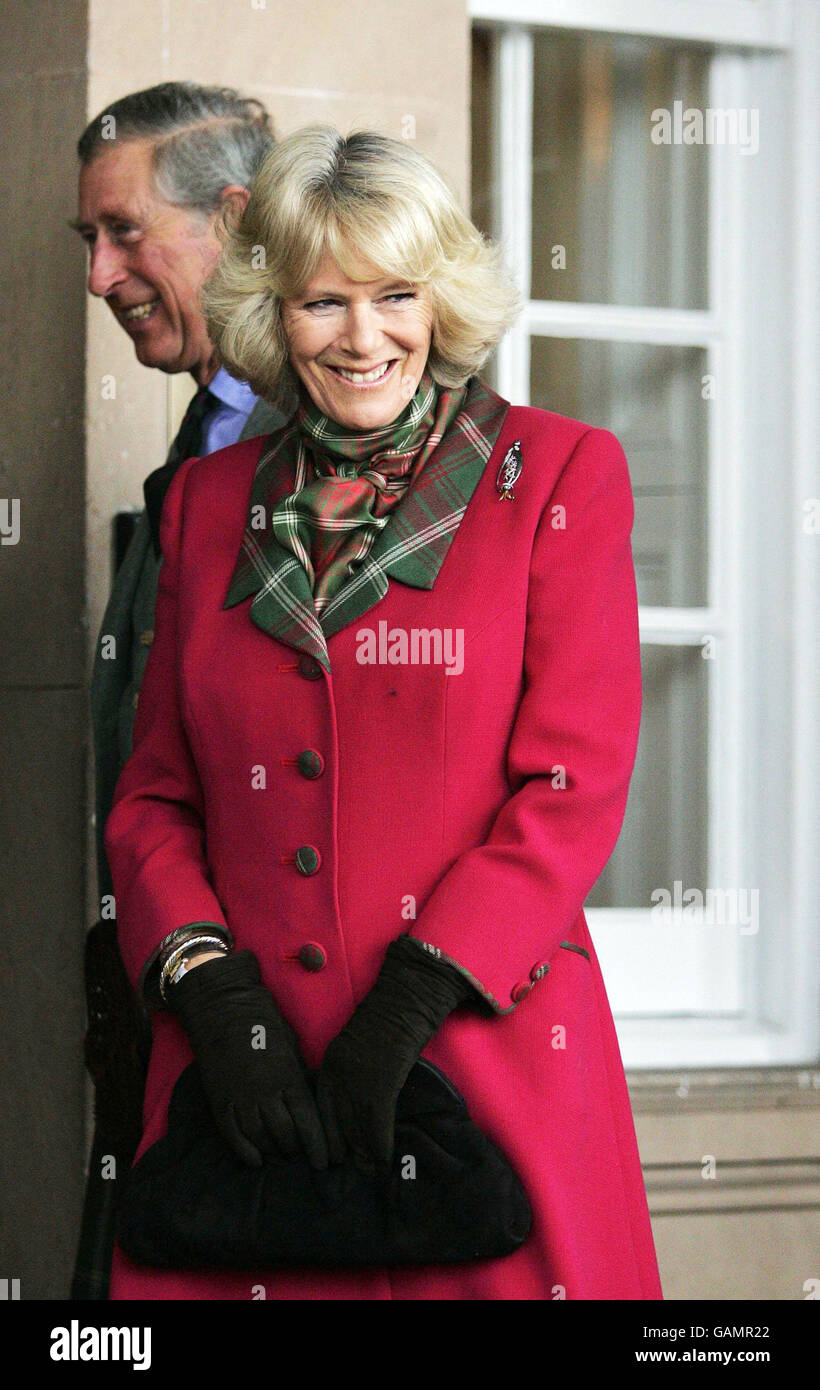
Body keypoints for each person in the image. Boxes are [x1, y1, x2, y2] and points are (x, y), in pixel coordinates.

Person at [104, 126, 664, 1300]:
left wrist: (416, 990)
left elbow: (571, 785)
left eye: (396, 295)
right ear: (275, 316)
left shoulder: (554, 476)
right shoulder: (207, 502)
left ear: (441, 299)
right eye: (324, 303)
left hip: (479, 1059)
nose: (365, 338)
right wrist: (209, 988)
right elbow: (156, 794)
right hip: (248, 1095)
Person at [70, 82, 291, 1300]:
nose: (100, 276)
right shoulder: (203, 436)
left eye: (124, 233)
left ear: (237, 219)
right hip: (164, 987)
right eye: (89, 240)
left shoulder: (327, 433)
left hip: (273, 1017)